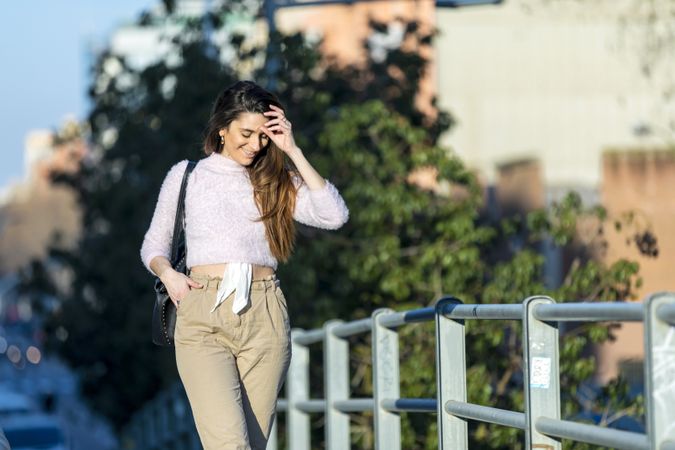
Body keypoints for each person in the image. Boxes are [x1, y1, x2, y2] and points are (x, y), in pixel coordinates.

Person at [140, 80, 349, 450]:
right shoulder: (187, 176)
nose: (255, 145)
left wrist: (293, 150)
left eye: (264, 136)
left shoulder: (275, 181)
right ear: (222, 128)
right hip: (202, 312)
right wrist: (169, 274)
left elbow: (334, 215)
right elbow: (153, 245)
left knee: (251, 445)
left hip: (265, 313)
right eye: (246, 133)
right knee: (229, 444)